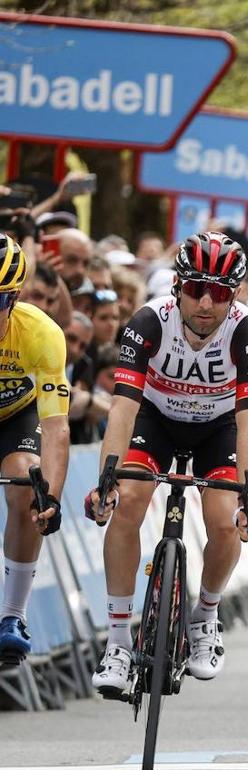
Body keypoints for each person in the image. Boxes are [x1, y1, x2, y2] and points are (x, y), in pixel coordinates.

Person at [87, 231, 248, 697]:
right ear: (177, 285)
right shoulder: (148, 322)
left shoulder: (247, 333)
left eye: (221, 292)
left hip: (218, 427)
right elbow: (123, 408)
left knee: (225, 520)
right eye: (195, 289)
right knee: (128, 500)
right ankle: (118, 642)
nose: (206, 303)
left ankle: (206, 615)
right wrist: (106, 478)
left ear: (236, 294)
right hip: (156, 418)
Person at [0, 235, 71, 664]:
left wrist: (54, 496)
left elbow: (56, 426)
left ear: (13, 298)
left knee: (27, 481)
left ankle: (12, 615)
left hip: (16, 418)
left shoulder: (42, 332)